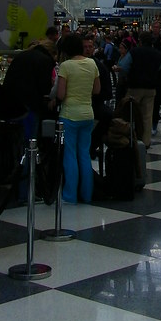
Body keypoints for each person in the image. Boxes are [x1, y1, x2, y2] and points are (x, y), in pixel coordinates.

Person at [55, 32, 100, 204]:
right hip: (88, 114)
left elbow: (60, 94)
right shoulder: (92, 64)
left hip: (69, 115)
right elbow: (97, 90)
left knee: (70, 155)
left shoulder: (66, 66)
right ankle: (87, 194)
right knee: (84, 154)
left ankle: (70, 195)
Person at [125, 30, 161, 148]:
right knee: (147, 116)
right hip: (151, 88)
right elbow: (159, 68)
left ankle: (128, 138)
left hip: (134, 87)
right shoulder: (158, 54)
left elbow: (124, 66)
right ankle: (145, 142)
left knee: (129, 113)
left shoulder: (134, 52)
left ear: (140, 41)